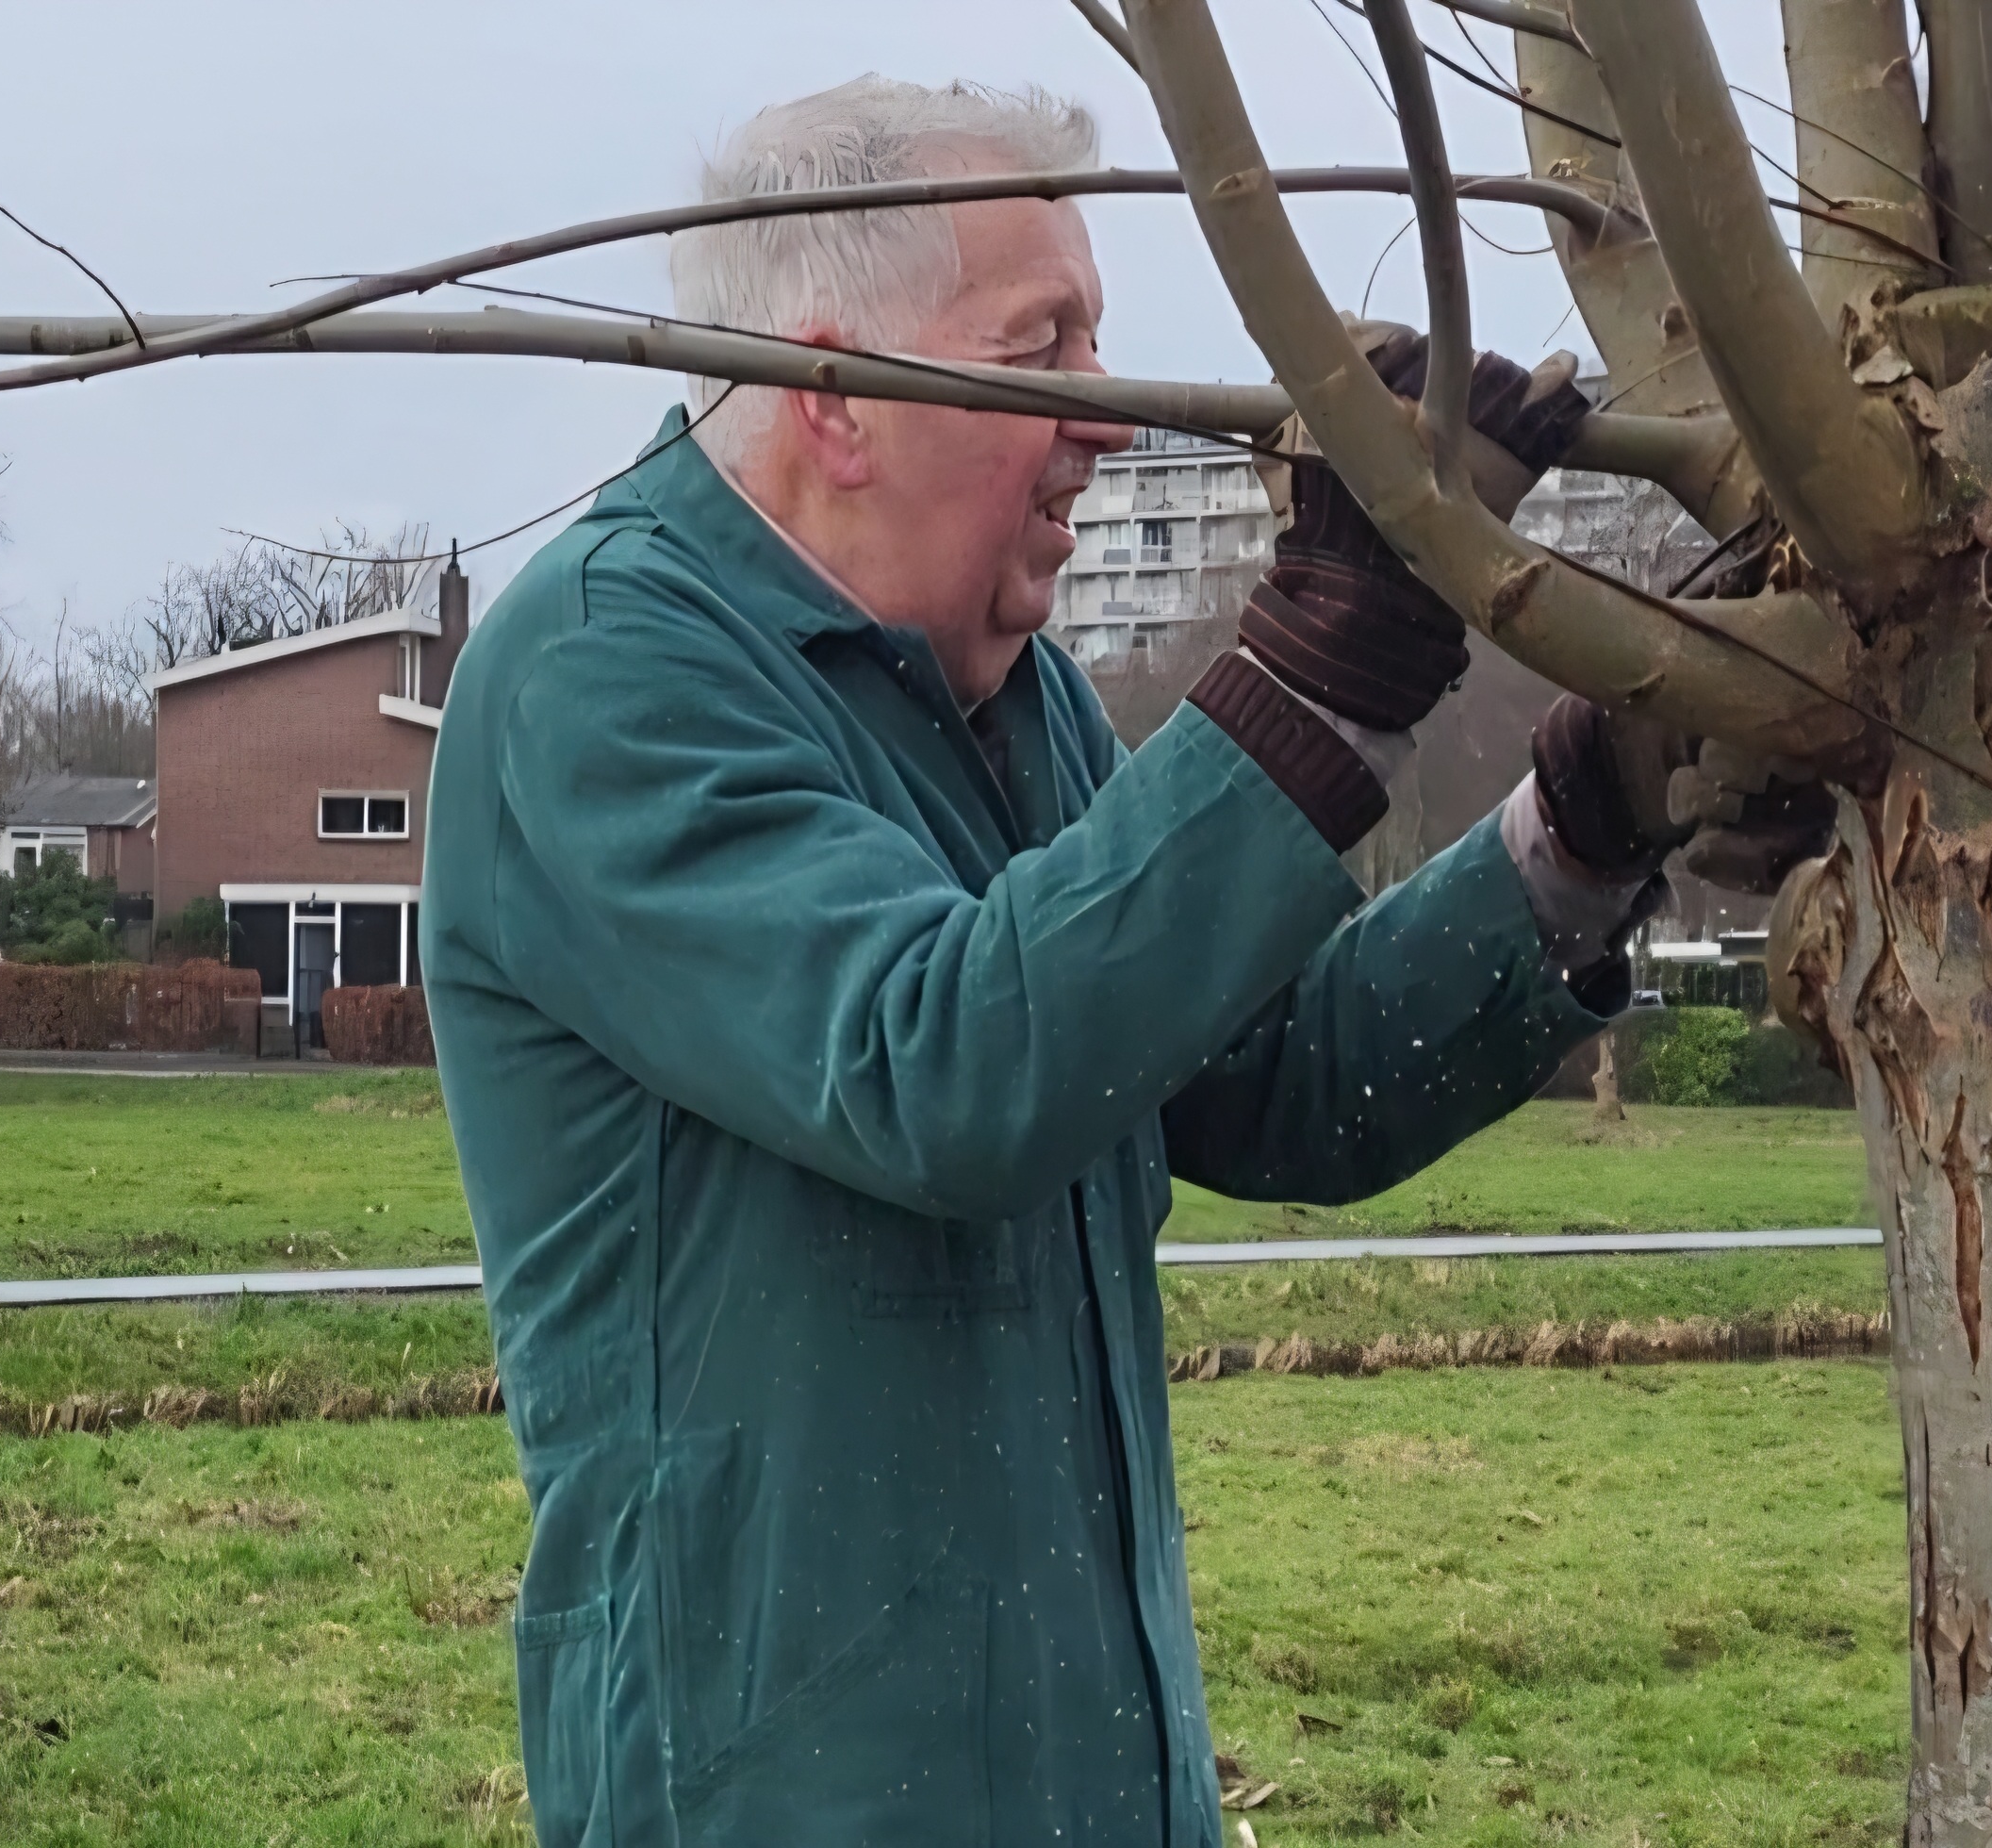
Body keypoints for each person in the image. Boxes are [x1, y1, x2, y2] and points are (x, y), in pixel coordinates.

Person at [420, 75, 1820, 1847]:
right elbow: (947, 1069)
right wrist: (1324, 666)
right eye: (1047, 344)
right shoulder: (608, 675)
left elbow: (1281, 1078)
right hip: (789, 1800)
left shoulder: (1023, 708)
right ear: (838, 394)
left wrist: (1593, 817)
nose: (1107, 417)